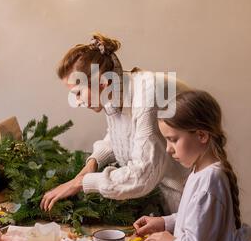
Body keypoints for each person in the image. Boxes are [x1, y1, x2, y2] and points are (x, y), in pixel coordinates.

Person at [134, 90, 251, 241]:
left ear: (201, 135)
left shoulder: (210, 180)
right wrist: (163, 222)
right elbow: (194, 217)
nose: (169, 149)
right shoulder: (200, 172)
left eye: (173, 139)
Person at [40, 33, 190, 214]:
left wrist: (80, 183)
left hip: (190, 196)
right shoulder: (113, 91)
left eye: (78, 93)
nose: (77, 101)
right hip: (165, 202)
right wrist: (91, 164)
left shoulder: (147, 96)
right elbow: (118, 136)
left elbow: (143, 175)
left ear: (101, 83)